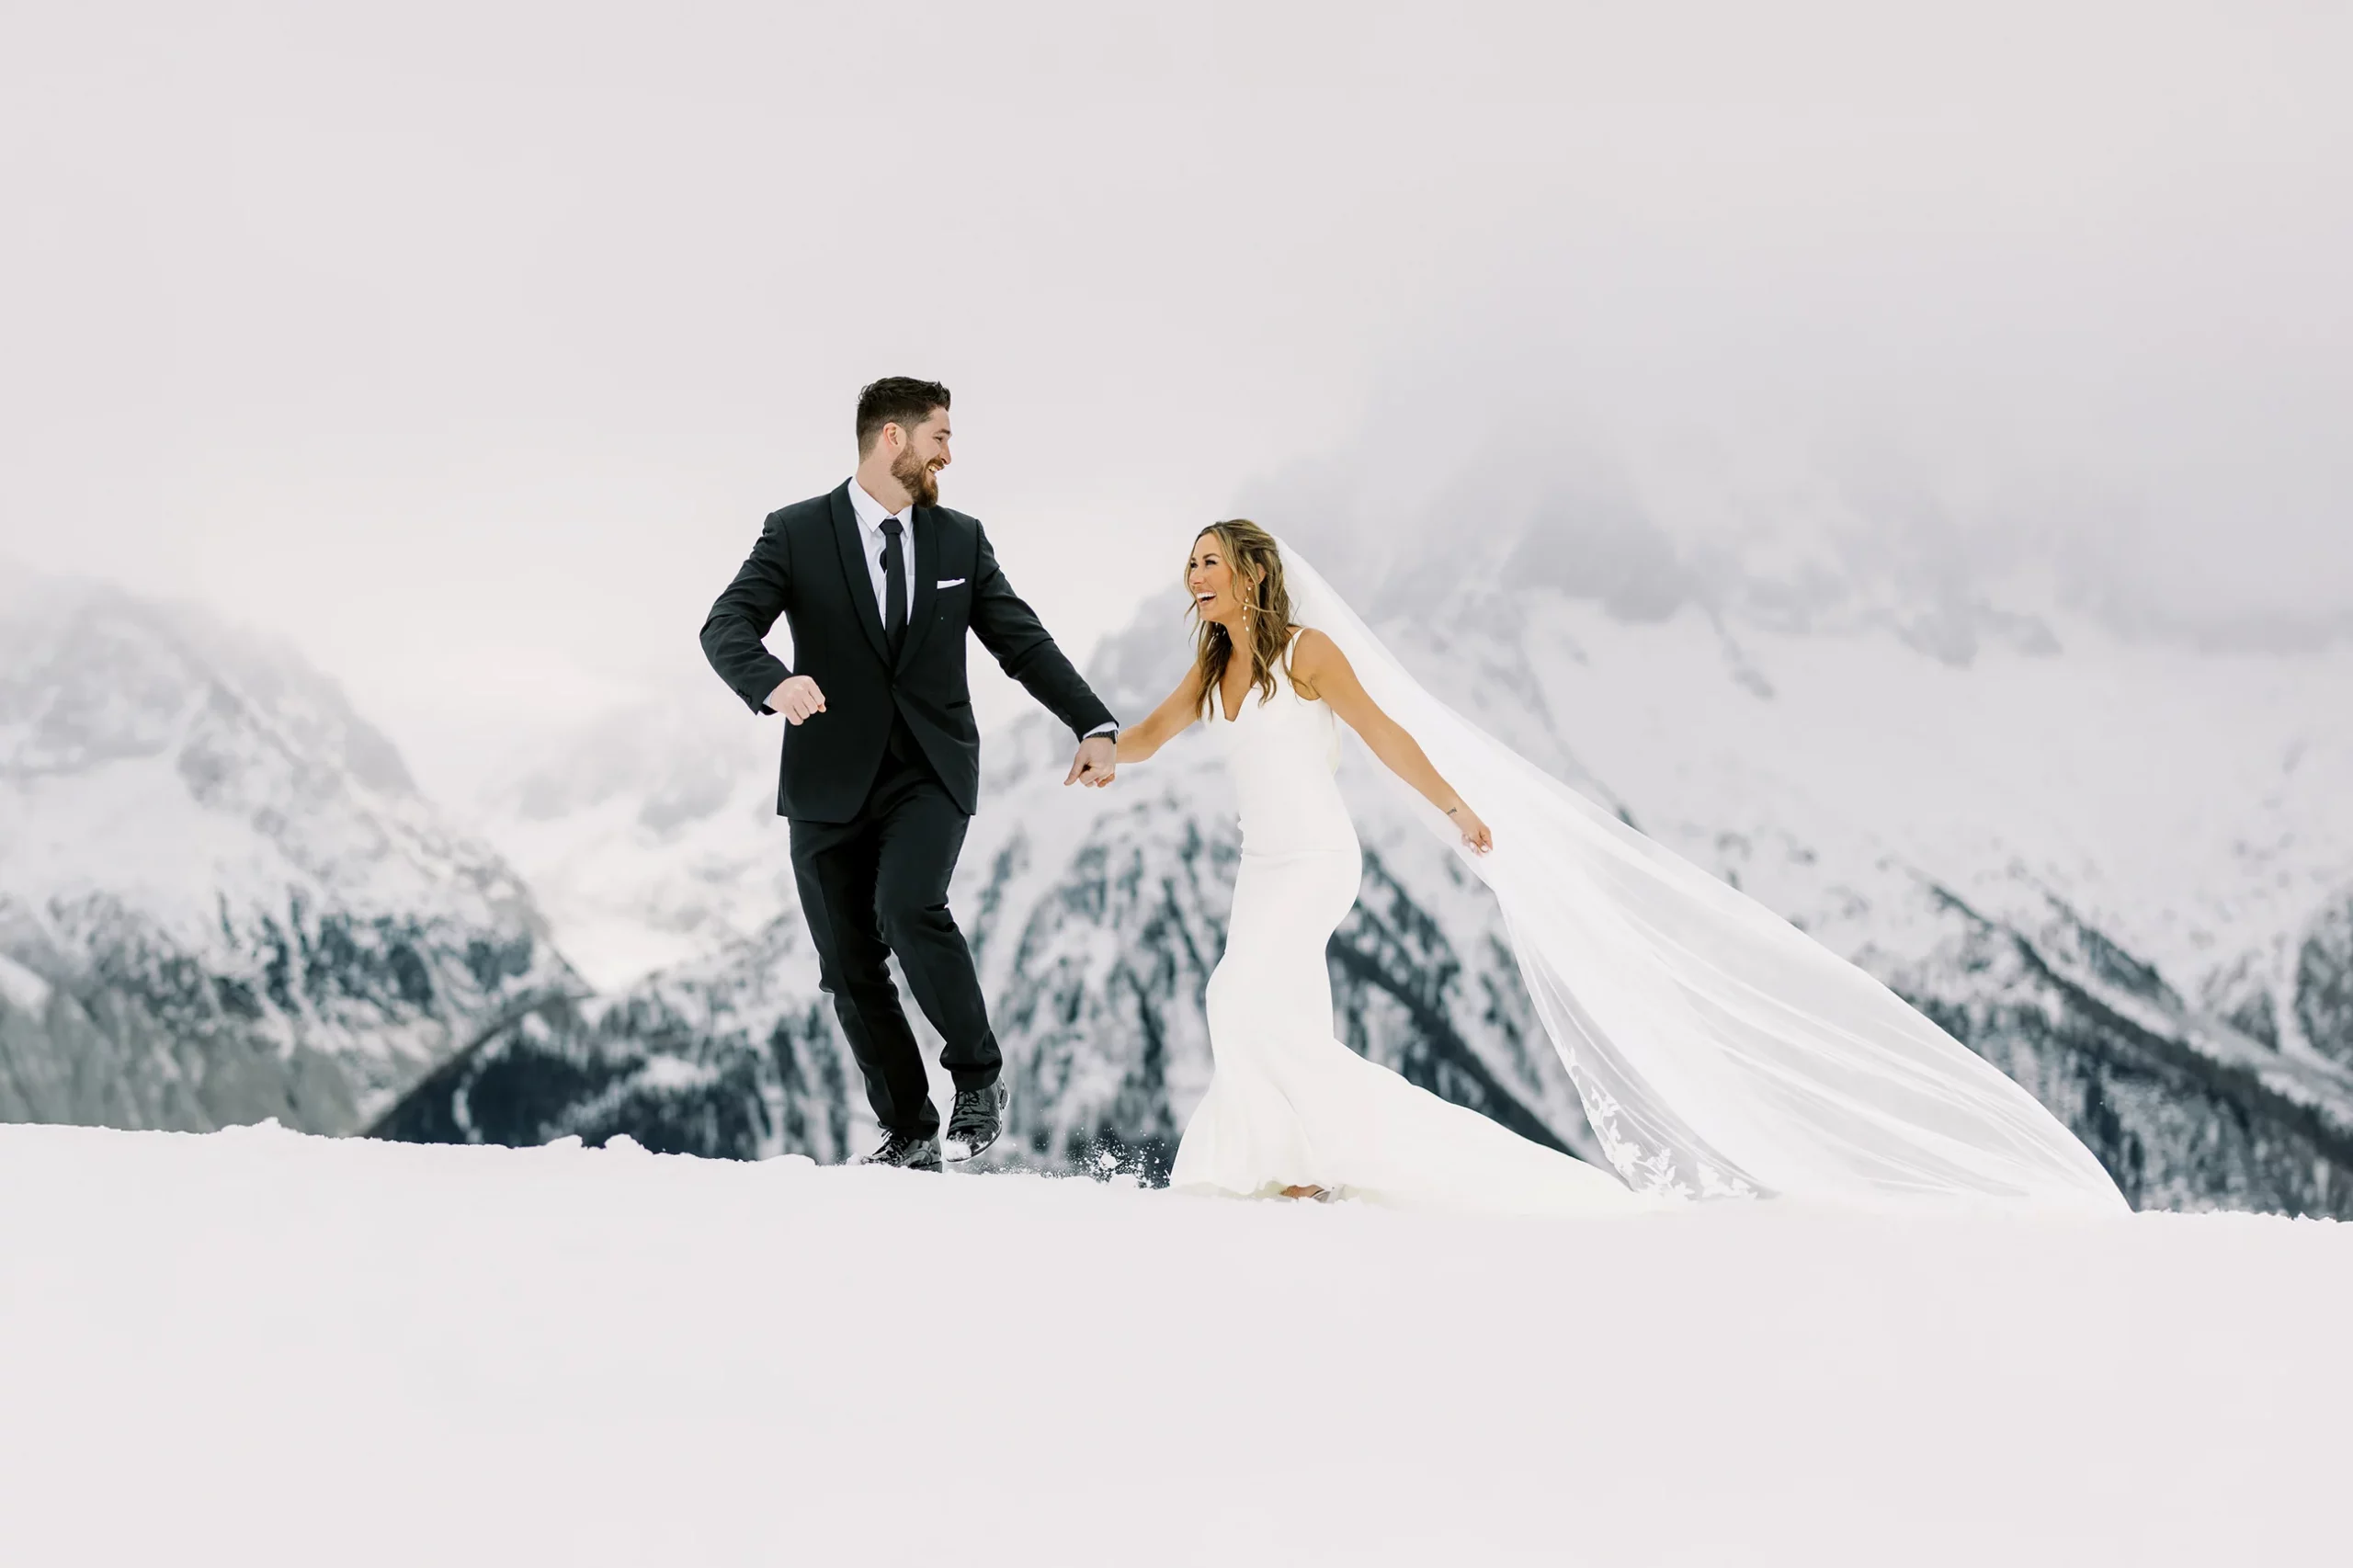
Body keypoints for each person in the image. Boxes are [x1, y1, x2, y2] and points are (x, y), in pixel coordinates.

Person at [1115, 520, 2130, 1215]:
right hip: (1262, 865)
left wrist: (1456, 806)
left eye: (1208, 561)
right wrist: (1102, 746)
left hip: (1316, 861)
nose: (1192, 575)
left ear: (1251, 572)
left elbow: (1383, 736)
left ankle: (1293, 1163)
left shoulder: (1306, 654)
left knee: (1236, 995)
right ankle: (1291, 1170)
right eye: (1188, 563)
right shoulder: (1213, 667)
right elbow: (1155, 728)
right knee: (1268, 1013)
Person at [699, 378, 1119, 1171]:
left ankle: (978, 1079)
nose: (948, 456)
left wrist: (1092, 723)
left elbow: (1020, 642)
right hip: (826, 779)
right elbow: (725, 624)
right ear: (892, 438)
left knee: (907, 904)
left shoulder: (960, 539)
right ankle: (909, 1131)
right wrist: (771, 681)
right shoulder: (794, 533)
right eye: (940, 438)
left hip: (930, 768)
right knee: (850, 965)